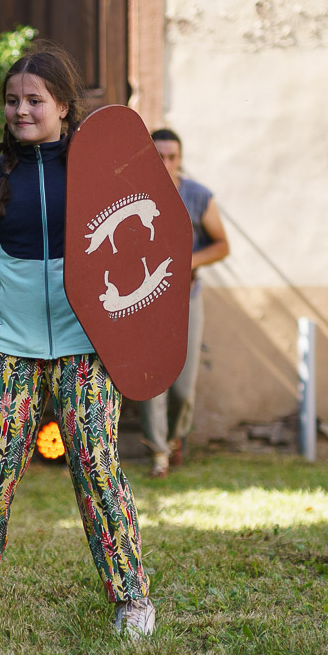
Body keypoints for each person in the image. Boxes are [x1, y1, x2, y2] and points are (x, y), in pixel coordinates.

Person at [0, 44, 155, 637]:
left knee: (97, 466)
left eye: (34, 100)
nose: (21, 111)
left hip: (87, 342)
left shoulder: (99, 166)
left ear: (64, 105)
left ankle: (132, 598)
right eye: (12, 100)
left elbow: (145, 231)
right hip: (9, 343)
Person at [137, 129, 230, 477]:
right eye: (158, 156)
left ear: (180, 159)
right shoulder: (133, 196)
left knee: (182, 388)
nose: (165, 163)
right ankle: (158, 455)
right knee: (151, 380)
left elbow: (221, 245)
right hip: (144, 300)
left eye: (171, 156)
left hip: (186, 299)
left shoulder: (197, 196)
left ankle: (174, 438)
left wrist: (187, 262)